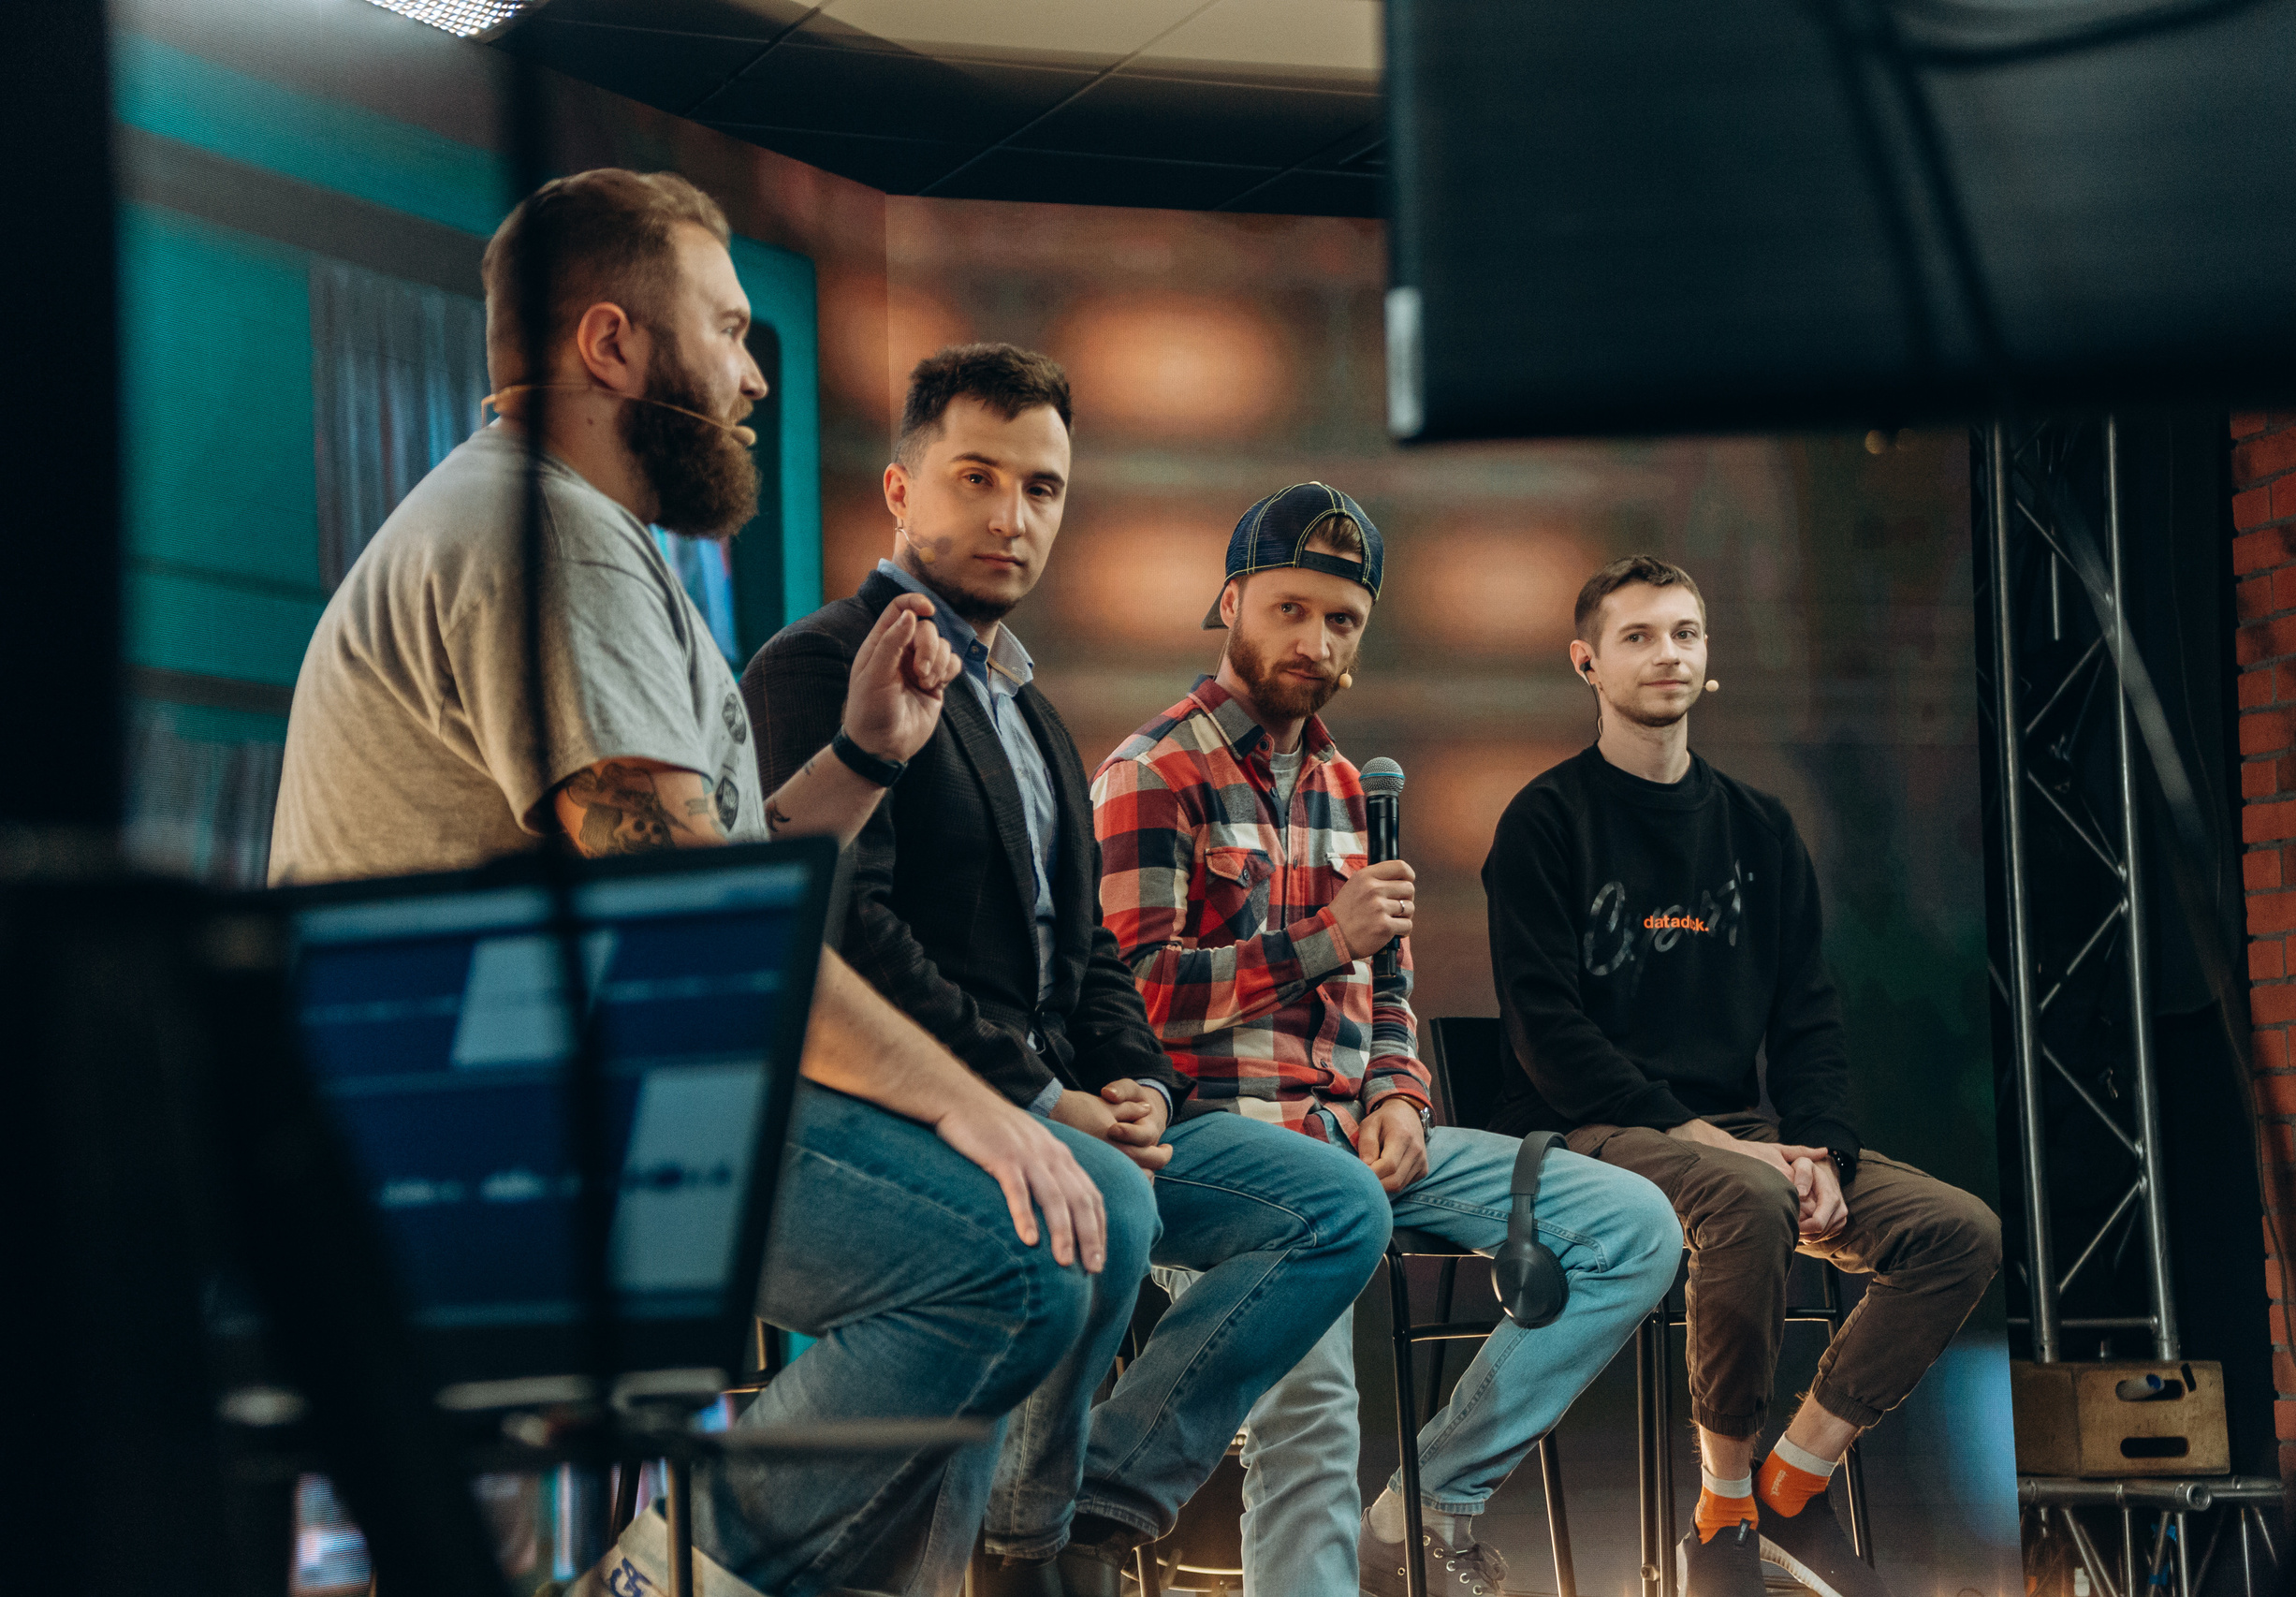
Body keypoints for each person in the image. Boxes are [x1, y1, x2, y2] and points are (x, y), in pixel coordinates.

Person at [270, 169, 1158, 1597]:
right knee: (1014, 1256)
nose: (754, 376)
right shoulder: (544, 537)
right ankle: (664, 1581)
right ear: (613, 343)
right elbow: (691, 932)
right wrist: (972, 1102)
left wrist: (861, 758)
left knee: (1047, 1227)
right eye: (732, 331)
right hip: (501, 1119)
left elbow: (712, 881)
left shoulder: (582, 535)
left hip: (566, 1082)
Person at [741, 347, 1393, 1596]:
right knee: (1104, 1204)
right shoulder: (818, 665)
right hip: (908, 1103)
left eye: (1040, 487)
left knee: (1337, 1207)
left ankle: (1088, 1507)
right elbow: (845, 935)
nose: (1012, 515)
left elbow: (1088, 947)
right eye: (976, 477)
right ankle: (1025, 1555)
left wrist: (1135, 1076)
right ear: (899, 488)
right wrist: (1047, 1101)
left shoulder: (1031, 708)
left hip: (1075, 1098)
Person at [1090, 484, 1683, 1597]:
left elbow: (1390, 990)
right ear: (1230, 602)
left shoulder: (1349, 786)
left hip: (1353, 1138)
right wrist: (1322, 941)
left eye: (1342, 620)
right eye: (1290, 609)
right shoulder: (1151, 772)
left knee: (1632, 1227)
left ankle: (1421, 1505)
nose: (1315, 641)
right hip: (1221, 1156)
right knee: (1313, 1398)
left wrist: (1399, 1094)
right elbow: (1128, 1002)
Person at [1482, 554, 2004, 1597]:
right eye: (1637, 636)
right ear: (1587, 663)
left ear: (1707, 655)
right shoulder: (1545, 820)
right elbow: (1549, 1037)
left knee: (1960, 1232)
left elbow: (1808, 1021)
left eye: (1684, 633)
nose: (1666, 654)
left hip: (1737, 1141)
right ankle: (1720, 1520)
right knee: (1748, 1195)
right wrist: (1717, 1143)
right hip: (1588, 1134)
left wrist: (1825, 1153)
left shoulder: (1760, 828)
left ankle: (1791, 1489)